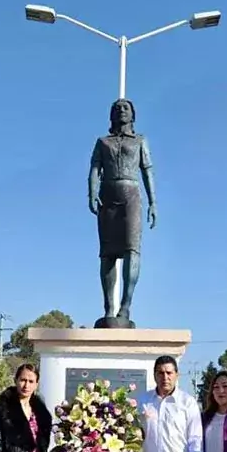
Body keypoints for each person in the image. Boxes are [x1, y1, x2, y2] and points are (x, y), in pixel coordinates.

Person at [88, 98, 157, 326]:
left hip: (131, 196)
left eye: (126, 108)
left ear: (133, 114)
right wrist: (92, 193)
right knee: (107, 254)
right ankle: (109, 306)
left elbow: (147, 172)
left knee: (131, 250)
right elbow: (95, 169)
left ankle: (125, 307)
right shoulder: (102, 142)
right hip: (107, 197)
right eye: (117, 108)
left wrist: (153, 202)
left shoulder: (140, 141)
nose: (121, 111)